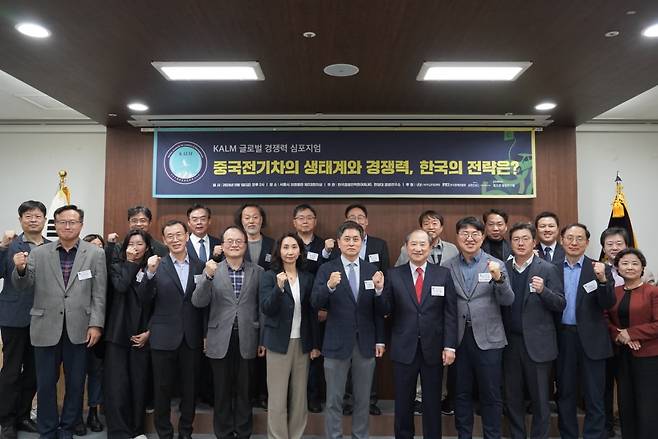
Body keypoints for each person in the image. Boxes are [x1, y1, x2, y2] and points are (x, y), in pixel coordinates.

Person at [12, 205, 106, 439]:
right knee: (45, 385)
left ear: (81, 225)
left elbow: (99, 293)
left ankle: (67, 429)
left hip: (80, 329)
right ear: (54, 225)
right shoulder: (39, 253)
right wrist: (20, 269)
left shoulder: (95, 254)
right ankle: (47, 430)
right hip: (45, 328)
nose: (67, 226)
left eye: (72, 222)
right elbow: (23, 285)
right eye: (62, 222)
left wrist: (96, 324)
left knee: (75, 385)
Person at [311, 221, 385, 439]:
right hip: (335, 343)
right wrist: (329, 286)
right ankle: (334, 436)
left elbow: (382, 310)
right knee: (334, 398)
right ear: (338, 243)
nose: (352, 243)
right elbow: (315, 302)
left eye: (356, 239)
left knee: (362, 399)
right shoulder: (327, 269)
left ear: (362, 242)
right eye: (347, 239)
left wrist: (380, 291)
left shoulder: (373, 270)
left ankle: (359, 436)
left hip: (365, 343)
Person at [380, 229, 457, 439]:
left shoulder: (443, 274)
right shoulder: (394, 274)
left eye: (423, 244)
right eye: (413, 244)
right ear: (406, 247)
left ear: (430, 248)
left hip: (434, 348)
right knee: (404, 401)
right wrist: (379, 291)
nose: (418, 248)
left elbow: (450, 313)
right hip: (404, 347)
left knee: (432, 402)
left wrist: (449, 346)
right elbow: (385, 309)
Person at [442, 216, 514, 439]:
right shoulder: (447, 267)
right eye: (465, 234)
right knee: (461, 393)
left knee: (491, 394)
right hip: (459, 339)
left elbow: (508, 300)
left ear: (482, 237)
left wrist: (499, 279)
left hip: (489, 339)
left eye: (475, 234)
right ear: (457, 237)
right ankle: (464, 435)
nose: (470, 238)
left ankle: (492, 435)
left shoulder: (495, 264)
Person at [191, 225, 265, 439]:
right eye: (229, 241)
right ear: (222, 246)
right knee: (221, 391)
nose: (234, 245)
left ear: (245, 245)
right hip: (219, 338)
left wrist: (262, 340)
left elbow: (261, 308)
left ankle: (243, 432)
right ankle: (223, 433)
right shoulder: (212, 270)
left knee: (245, 391)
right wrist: (207, 277)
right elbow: (198, 301)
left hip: (248, 337)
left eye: (238, 241)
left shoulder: (258, 272)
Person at [137, 220, 205, 439]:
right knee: (162, 389)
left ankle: (186, 432)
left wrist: (204, 334)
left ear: (187, 236)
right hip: (163, 337)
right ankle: (164, 433)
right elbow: (144, 299)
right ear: (164, 240)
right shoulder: (156, 265)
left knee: (190, 389)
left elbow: (205, 304)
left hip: (191, 337)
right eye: (170, 236)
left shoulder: (200, 265)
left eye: (179, 235)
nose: (175, 240)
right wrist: (149, 273)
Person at [501, 223, 565, 439]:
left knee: (540, 399)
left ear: (534, 242)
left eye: (525, 238)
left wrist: (543, 290)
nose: (520, 243)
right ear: (510, 243)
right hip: (510, 344)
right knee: (513, 398)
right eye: (516, 239)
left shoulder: (547, 269)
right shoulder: (503, 269)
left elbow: (560, 303)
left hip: (538, 345)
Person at [394, 210, 459, 415]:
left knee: (439, 372)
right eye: (426, 223)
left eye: (435, 223)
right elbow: (396, 286)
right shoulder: (405, 255)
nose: (431, 227)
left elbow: (450, 307)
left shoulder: (452, 251)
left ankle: (441, 397)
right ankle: (419, 399)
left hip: (437, 322)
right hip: (409, 328)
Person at [555, 223, 616, 439]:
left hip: (593, 341)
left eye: (579, 238)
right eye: (569, 238)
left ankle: (594, 436)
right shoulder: (550, 267)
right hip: (563, 339)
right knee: (566, 394)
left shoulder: (599, 268)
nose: (574, 242)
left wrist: (602, 280)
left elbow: (608, 303)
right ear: (562, 240)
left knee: (594, 396)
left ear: (587, 242)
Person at [259, 233, 320, 439]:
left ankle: (296, 435)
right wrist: (278, 288)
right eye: (285, 247)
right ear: (279, 251)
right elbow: (266, 309)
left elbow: (312, 314)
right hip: (278, 343)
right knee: (277, 397)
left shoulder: (308, 278)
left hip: (302, 343)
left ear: (300, 251)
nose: (290, 251)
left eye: (294, 247)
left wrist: (314, 344)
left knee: (299, 397)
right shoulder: (269, 276)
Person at [330, 204, 389, 416]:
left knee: (366, 363)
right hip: (342, 320)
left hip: (368, 316)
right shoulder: (336, 259)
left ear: (366, 222)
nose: (357, 220)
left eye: (360, 217)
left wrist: (382, 292)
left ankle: (369, 402)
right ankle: (346, 401)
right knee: (345, 363)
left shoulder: (379, 246)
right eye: (352, 217)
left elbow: (384, 277)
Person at [0, 200, 49, 439]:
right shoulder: (10, 245)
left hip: (43, 318)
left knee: (34, 371)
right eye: (28, 216)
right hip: (13, 317)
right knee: (11, 371)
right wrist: (1, 247)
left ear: (44, 220)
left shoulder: (53, 246)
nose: (33, 219)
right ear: (20, 220)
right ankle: (6, 420)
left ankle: (22, 415)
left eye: (37, 216)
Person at [104, 229, 154, 439]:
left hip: (142, 334)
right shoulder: (116, 267)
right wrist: (131, 263)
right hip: (117, 333)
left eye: (140, 244)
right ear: (124, 248)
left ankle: (137, 430)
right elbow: (122, 286)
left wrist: (150, 332)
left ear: (148, 248)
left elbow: (152, 301)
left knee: (138, 383)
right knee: (117, 385)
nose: (135, 247)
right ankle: (118, 432)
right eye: (131, 244)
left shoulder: (153, 269)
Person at [605, 248, 658, 439]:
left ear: (642, 268)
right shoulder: (614, 292)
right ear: (617, 267)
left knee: (647, 404)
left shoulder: (652, 292)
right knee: (626, 403)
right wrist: (619, 335)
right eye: (625, 263)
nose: (630, 267)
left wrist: (632, 334)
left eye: (635, 263)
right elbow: (604, 318)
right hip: (621, 354)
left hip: (648, 356)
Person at [291, 203, 332, 413]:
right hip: (294, 307)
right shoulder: (289, 243)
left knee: (316, 353)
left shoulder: (326, 245)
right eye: (301, 218)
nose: (305, 221)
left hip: (317, 308)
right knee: (296, 353)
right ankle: (295, 399)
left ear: (315, 221)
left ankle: (314, 397)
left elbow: (331, 277)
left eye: (309, 217)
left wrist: (324, 307)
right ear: (294, 222)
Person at [236, 203, 273, 409]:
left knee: (265, 352)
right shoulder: (234, 243)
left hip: (266, 305)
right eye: (247, 217)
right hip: (243, 307)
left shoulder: (272, 244)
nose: (251, 221)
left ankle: (263, 395)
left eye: (255, 217)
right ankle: (246, 396)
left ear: (262, 220)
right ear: (241, 221)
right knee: (245, 356)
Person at [74, 234, 106, 434]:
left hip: (98, 329)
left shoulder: (107, 269)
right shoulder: (76, 266)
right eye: (92, 246)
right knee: (76, 375)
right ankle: (76, 415)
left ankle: (93, 412)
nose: (97, 250)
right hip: (75, 328)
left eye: (100, 246)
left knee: (96, 373)